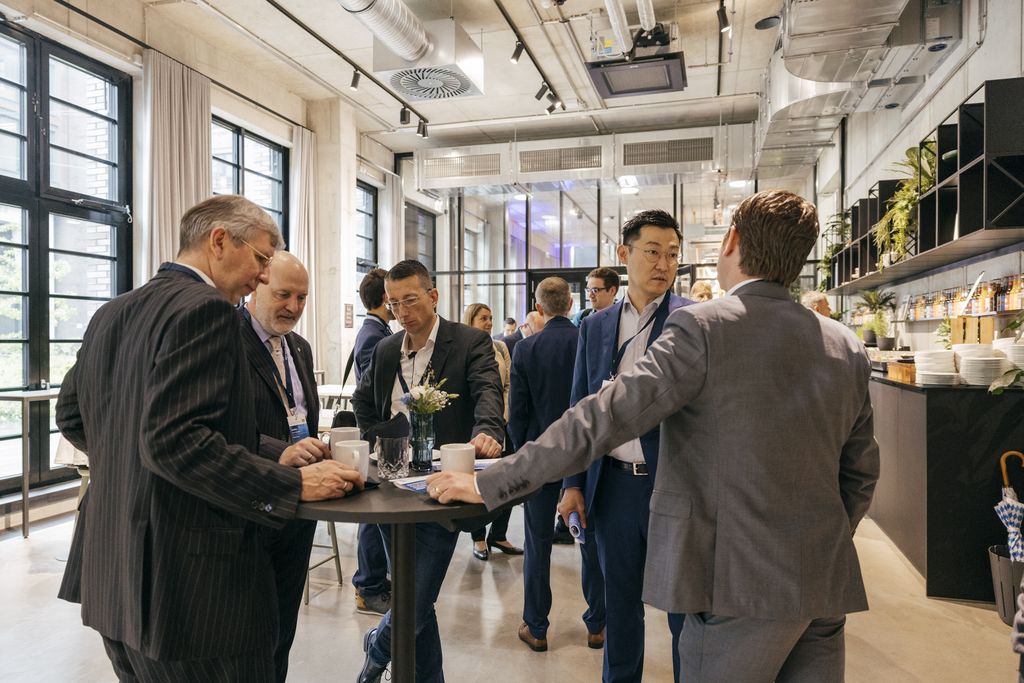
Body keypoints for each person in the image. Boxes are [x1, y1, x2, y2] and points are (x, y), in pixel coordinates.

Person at [428, 190, 881, 683]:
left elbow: (602, 417)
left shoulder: (703, 327)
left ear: (731, 241)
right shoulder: (845, 344)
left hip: (735, 584)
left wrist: (492, 481)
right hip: (823, 581)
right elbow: (859, 474)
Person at [55, 195, 362, 682]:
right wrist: (290, 485)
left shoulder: (111, 312)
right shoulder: (208, 311)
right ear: (219, 241)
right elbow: (174, 441)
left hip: (112, 571)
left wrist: (132, 463)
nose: (263, 275)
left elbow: (73, 416)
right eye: (262, 258)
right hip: (190, 585)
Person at [352, 259, 505, 683]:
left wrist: (487, 431)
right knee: (415, 598)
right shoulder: (385, 350)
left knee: (415, 595)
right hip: (390, 487)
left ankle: (378, 646)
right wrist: (377, 439)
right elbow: (363, 401)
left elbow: (487, 391)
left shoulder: (470, 341)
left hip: (442, 487)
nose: (402, 311)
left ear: (433, 297)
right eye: (394, 303)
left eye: (411, 300)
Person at [559, 208, 691, 681]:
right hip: (612, 488)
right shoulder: (594, 326)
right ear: (624, 254)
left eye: (672, 254)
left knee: (684, 614)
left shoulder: (691, 319)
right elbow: (580, 407)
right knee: (619, 610)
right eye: (652, 252)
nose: (663, 263)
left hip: (674, 489)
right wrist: (572, 483)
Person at [238, 250, 322, 683]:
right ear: (257, 286)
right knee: (255, 631)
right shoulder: (226, 338)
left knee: (284, 626)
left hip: (299, 505)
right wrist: (278, 452)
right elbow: (220, 430)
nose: (293, 306)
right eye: (284, 294)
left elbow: (302, 414)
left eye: (302, 297)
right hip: (251, 505)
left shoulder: (299, 348)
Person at [509, 277, 605, 653]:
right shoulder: (588, 343)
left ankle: (536, 626)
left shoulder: (526, 348)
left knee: (537, 543)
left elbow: (517, 413)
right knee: (588, 540)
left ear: (539, 307)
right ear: (570, 304)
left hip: (541, 456)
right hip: (583, 455)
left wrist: (523, 453)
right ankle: (597, 625)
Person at [463, 302, 523, 561]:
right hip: (476, 429)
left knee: (506, 481)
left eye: (490, 318)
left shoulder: (500, 346)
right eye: (483, 319)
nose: (488, 323)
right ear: (471, 321)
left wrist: (503, 415)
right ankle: (478, 539)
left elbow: (508, 383)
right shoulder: (464, 348)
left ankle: (499, 534)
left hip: (502, 424)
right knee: (478, 482)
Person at [350, 268, 395, 616]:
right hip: (379, 435)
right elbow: (371, 393)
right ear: (385, 298)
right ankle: (368, 585)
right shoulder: (373, 336)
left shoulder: (377, 331)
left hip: (383, 433)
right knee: (373, 515)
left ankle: (375, 580)